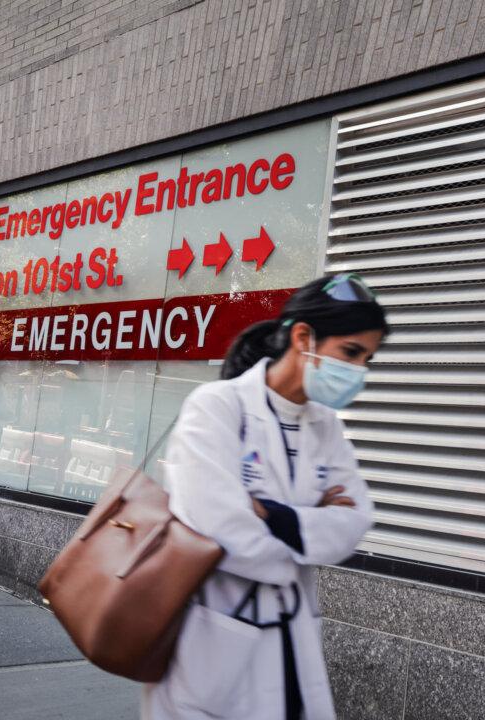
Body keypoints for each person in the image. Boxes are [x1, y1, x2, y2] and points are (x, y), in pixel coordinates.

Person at [142, 273, 390, 720]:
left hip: (293, 646)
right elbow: (219, 528)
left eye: (368, 358)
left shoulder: (326, 425)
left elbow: (355, 524)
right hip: (214, 644)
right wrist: (311, 524)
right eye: (351, 353)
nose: (359, 372)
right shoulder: (217, 406)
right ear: (303, 337)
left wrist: (271, 514)